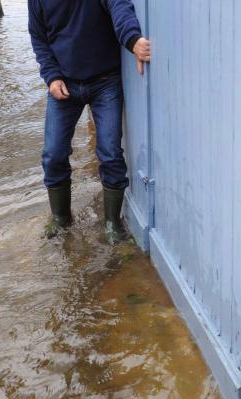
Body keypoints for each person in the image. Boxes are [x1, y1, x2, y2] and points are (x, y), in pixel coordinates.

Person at [28, 0, 151, 243]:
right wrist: (51, 77)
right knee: (53, 155)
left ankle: (112, 223)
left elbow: (120, 8)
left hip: (105, 82)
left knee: (110, 153)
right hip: (64, 83)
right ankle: (61, 219)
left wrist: (132, 40)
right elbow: (39, 38)